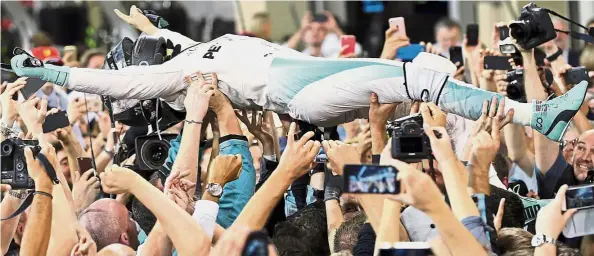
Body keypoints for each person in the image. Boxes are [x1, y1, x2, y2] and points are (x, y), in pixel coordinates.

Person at [9, 7, 587, 143]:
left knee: (420, 73)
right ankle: (539, 118)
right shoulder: (182, 73)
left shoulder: (199, 46)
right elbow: (120, 85)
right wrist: (51, 74)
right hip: (301, 93)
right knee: (416, 81)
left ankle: (539, 118)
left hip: (307, 74)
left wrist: (151, 24)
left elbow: (182, 38)